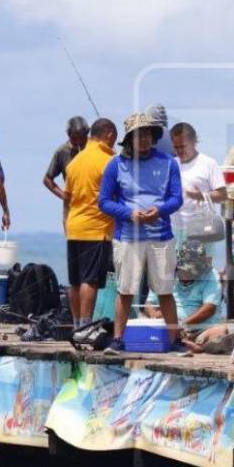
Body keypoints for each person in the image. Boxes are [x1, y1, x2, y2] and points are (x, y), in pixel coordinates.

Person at [98, 113, 185, 349]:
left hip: (161, 237)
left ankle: (175, 341)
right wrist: (129, 214)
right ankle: (117, 340)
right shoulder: (116, 164)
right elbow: (104, 202)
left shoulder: (169, 162)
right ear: (128, 139)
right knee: (125, 290)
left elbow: (177, 199)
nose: (144, 139)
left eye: (147, 134)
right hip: (127, 237)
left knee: (165, 291)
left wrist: (160, 210)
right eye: (138, 135)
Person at [63, 117, 117, 325]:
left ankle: (76, 323)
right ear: (109, 135)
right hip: (96, 228)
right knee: (90, 280)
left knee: (75, 281)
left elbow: (67, 198)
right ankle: (86, 325)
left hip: (74, 227)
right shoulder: (109, 162)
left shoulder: (75, 161)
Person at [144, 240, 230, 350]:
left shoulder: (211, 275)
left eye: (194, 271)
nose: (190, 273)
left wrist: (183, 325)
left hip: (200, 329)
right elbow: (149, 303)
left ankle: (189, 343)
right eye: (186, 270)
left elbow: (209, 308)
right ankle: (191, 344)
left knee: (221, 331)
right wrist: (154, 315)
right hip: (169, 326)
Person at [171, 122, 227, 251]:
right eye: (176, 147)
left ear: (194, 141)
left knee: (202, 270)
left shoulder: (209, 163)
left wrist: (201, 196)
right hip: (174, 229)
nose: (179, 151)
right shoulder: (171, 164)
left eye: (183, 146)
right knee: (176, 270)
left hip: (201, 229)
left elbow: (223, 195)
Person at [43, 116, 90, 201]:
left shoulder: (95, 147)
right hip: (75, 208)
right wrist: (65, 197)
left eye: (82, 138)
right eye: (74, 138)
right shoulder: (62, 152)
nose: (78, 142)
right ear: (68, 135)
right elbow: (47, 180)